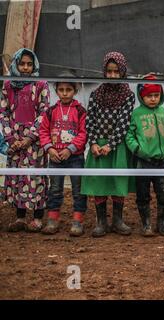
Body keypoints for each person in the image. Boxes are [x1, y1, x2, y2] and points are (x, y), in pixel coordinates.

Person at [81, 52, 135, 237]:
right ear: (104, 72)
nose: (112, 76)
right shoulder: (96, 94)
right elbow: (90, 120)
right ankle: (101, 222)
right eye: (109, 72)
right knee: (100, 182)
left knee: (117, 181)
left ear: (122, 72)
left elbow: (124, 122)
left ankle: (118, 221)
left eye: (116, 72)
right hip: (98, 147)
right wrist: (94, 143)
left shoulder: (128, 95)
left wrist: (111, 145)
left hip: (117, 147)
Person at [0, 48, 50, 232]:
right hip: (14, 138)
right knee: (18, 177)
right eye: (22, 64)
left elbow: (45, 112)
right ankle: (20, 217)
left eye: (30, 64)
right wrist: (11, 138)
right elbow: (3, 111)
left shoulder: (41, 84)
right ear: (16, 64)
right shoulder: (7, 85)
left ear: (35, 65)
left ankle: (37, 218)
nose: (26, 68)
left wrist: (30, 137)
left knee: (36, 176)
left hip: (35, 141)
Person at [39, 75, 87, 236]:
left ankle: (78, 221)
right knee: (55, 189)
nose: (65, 93)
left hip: (75, 157)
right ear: (56, 91)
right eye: (61, 90)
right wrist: (50, 149)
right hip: (55, 157)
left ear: (75, 90)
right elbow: (43, 131)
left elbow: (83, 133)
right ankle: (53, 220)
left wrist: (70, 149)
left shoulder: (80, 111)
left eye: (69, 90)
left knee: (78, 190)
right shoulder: (51, 111)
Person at [126, 75, 164, 237]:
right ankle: (146, 224)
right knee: (143, 194)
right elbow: (129, 135)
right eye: (148, 96)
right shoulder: (136, 114)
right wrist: (138, 149)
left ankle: (163, 222)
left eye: (156, 95)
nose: (153, 99)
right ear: (141, 96)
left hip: (163, 161)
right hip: (143, 161)